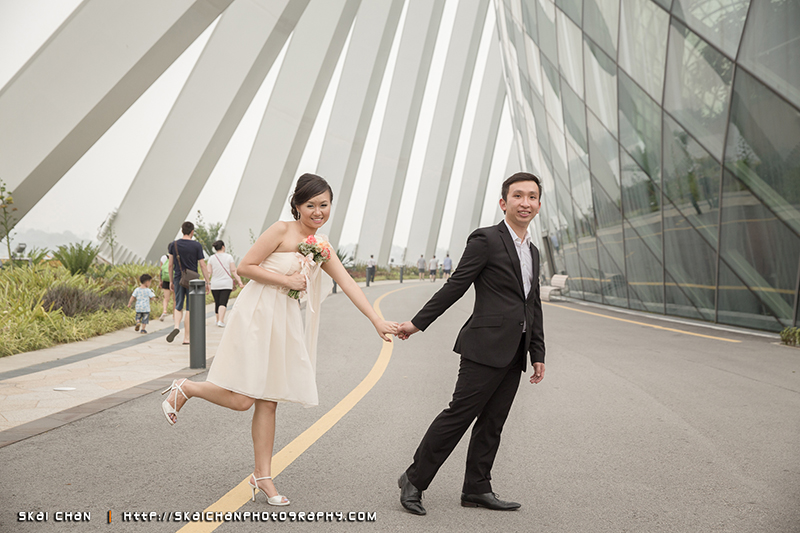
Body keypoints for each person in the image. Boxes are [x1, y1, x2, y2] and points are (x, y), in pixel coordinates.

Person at [159, 174, 397, 506]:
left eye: (324, 205)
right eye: (310, 205)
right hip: (256, 313)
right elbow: (247, 266)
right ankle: (186, 387)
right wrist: (287, 278)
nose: (318, 211)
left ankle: (263, 476)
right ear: (297, 206)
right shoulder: (281, 230)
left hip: (283, 320)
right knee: (244, 399)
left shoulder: (322, 245)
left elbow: (348, 283)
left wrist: (376, 320)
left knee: (268, 400)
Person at [395, 172, 546, 515]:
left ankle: (477, 489)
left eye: (532, 197)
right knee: (458, 416)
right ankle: (414, 480)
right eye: (518, 196)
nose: (526, 203)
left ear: (539, 204)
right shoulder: (486, 239)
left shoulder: (533, 252)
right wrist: (417, 324)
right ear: (503, 202)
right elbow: (456, 285)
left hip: (515, 349)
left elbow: (532, 303)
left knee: (493, 421)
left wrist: (537, 351)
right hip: (483, 344)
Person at [166, 221, 210, 345]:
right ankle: (186, 338)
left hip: (178, 278)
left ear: (182, 230)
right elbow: (202, 265)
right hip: (193, 280)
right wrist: (207, 282)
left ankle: (176, 327)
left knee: (178, 305)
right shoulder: (196, 245)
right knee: (190, 308)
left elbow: (170, 265)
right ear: (192, 232)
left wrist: (171, 281)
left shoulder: (173, 245)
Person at [208, 240, 244, 327]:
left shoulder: (211, 258)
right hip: (226, 284)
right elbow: (233, 270)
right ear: (223, 247)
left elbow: (208, 272)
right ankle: (221, 320)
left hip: (215, 284)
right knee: (223, 302)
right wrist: (239, 281)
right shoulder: (229, 257)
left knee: (217, 302)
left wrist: (206, 283)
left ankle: (217, 320)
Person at [158, 254, 171, 321]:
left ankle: (164, 311)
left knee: (166, 298)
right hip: (174, 279)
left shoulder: (164, 257)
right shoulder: (177, 256)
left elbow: (161, 270)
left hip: (166, 279)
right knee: (175, 300)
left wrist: (160, 280)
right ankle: (175, 316)